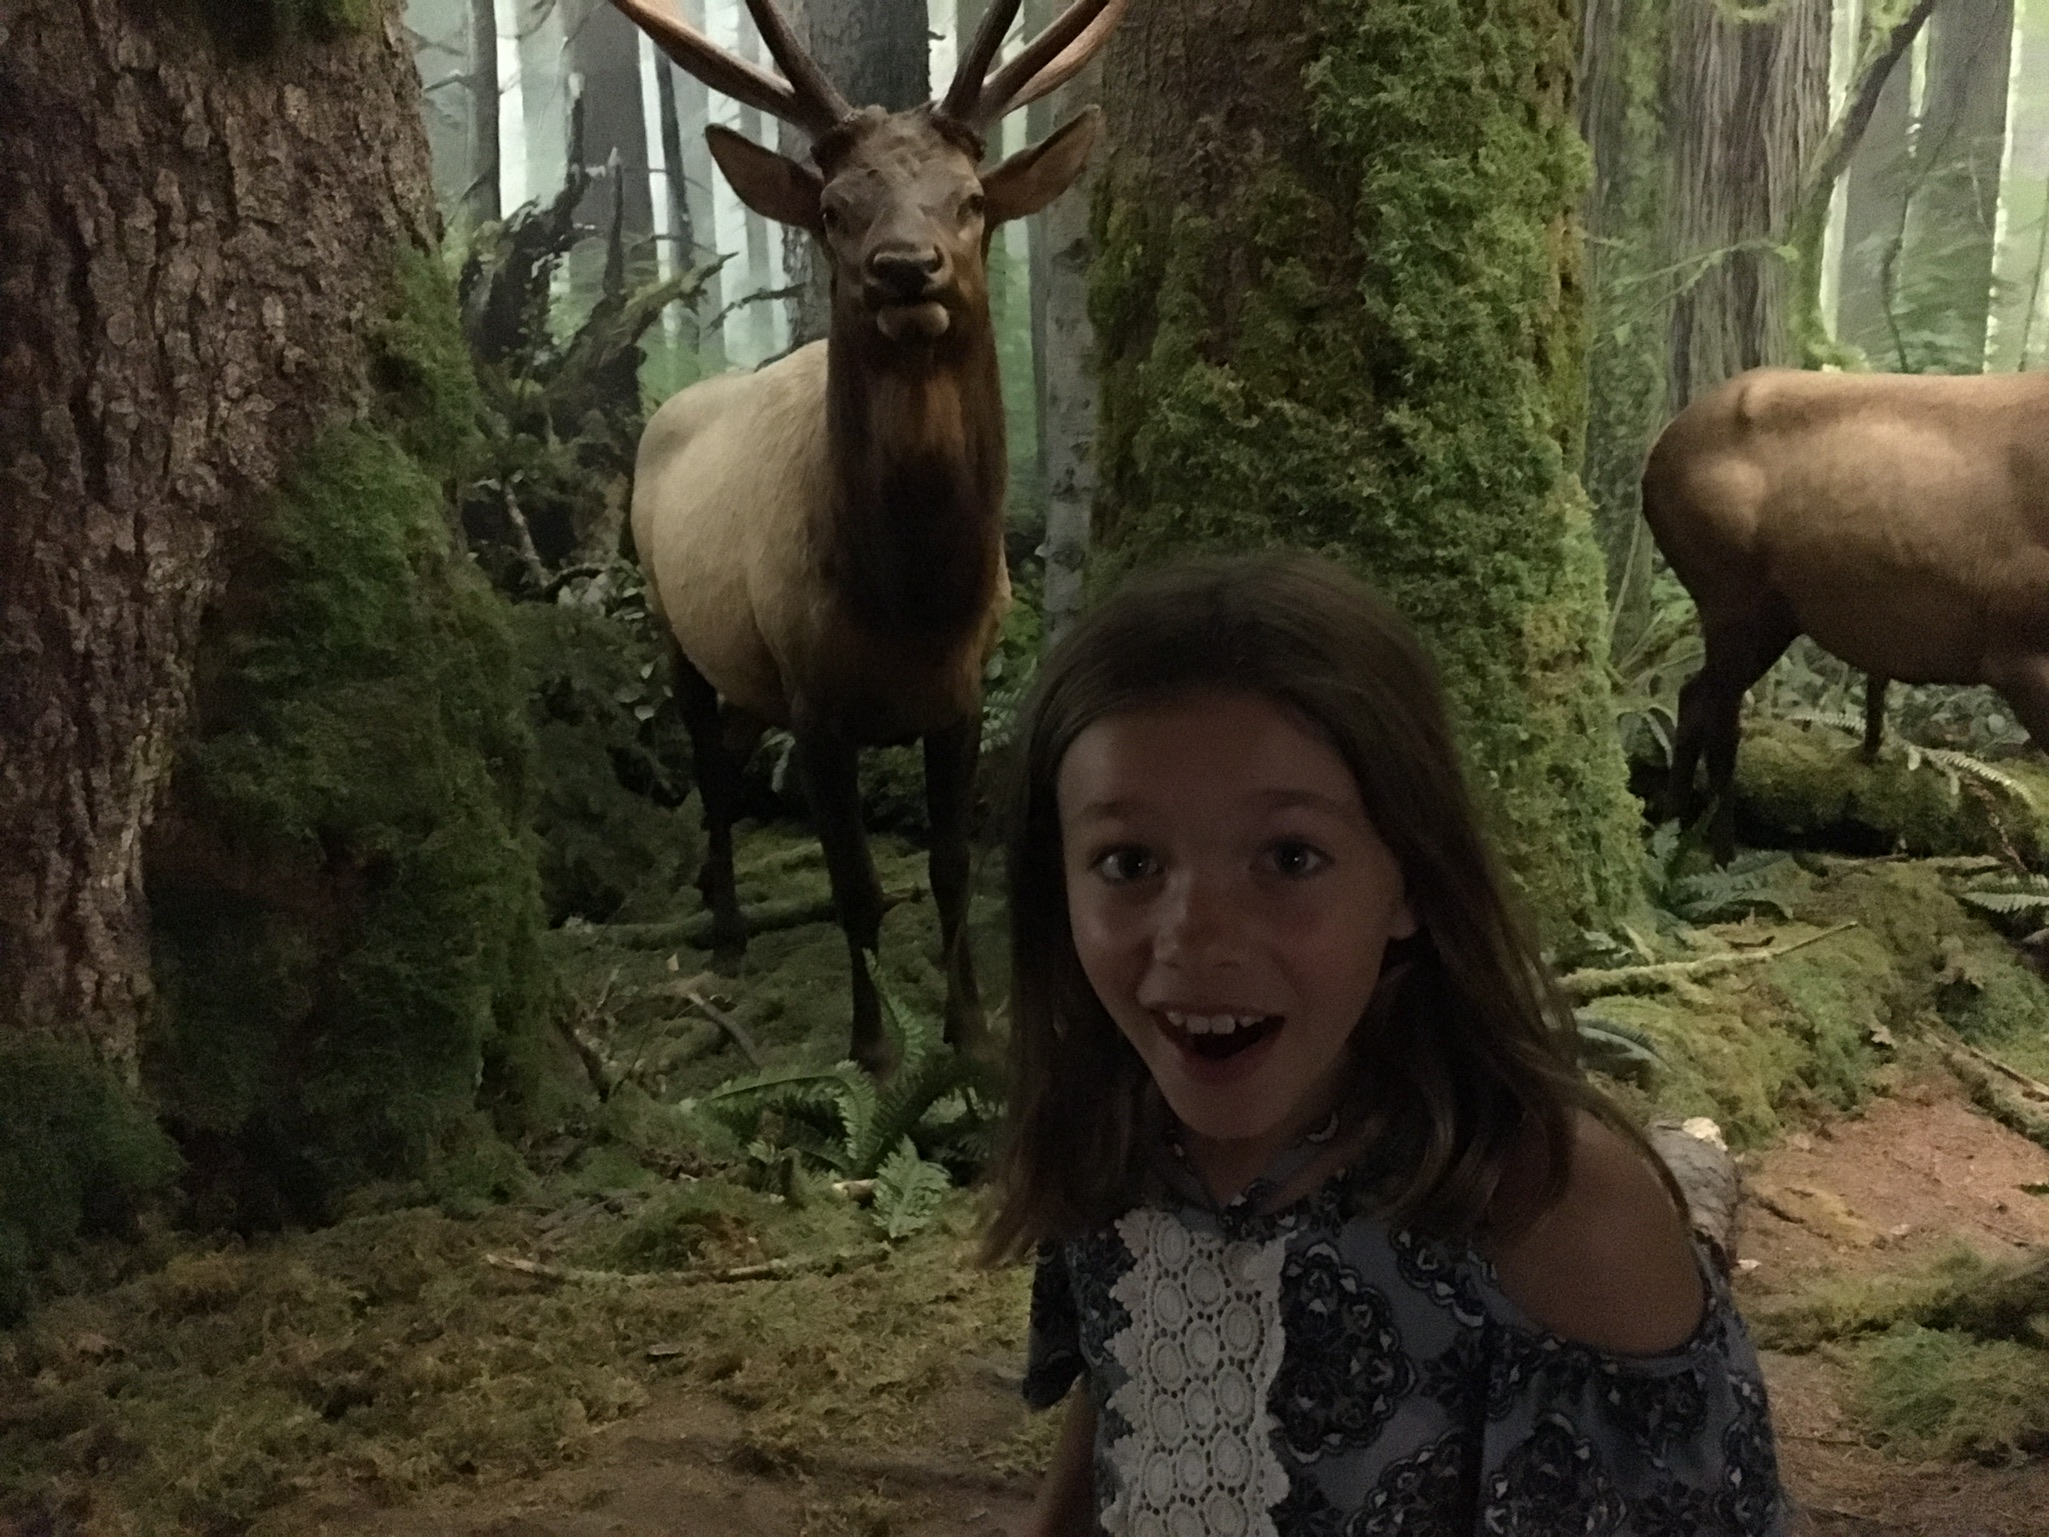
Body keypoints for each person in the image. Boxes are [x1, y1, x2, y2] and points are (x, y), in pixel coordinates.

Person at [984, 553, 1784, 1537]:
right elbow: (1129, 1403)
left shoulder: (1552, 1213)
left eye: (1289, 857)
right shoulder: (1116, 1126)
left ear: (1407, 879)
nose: (1195, 938)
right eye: (1128, 860)